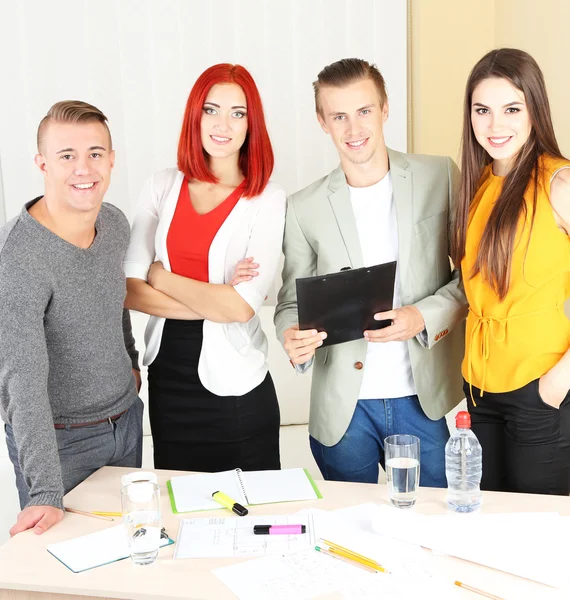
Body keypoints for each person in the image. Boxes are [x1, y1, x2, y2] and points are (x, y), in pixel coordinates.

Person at [275, 58, 467, 486]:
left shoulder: (440, 176)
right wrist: (291, 334)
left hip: (420, 397)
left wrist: (423, 316)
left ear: (385, 109)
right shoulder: (303, 206)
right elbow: (290, 301)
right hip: (343, 408)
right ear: (322, 122)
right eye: (339, 116)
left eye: (363, 111)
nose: (353, 128)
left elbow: (474, 278)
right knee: (349, 533)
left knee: (431, 527)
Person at [124, 63, 285, 472]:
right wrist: (218, 300)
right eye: (211, 110)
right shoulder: (162, 186)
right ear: (195, 115)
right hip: (168, 382)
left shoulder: (267, 200)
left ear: (252, 123)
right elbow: (129, 289)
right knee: (179, 514)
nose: (223, 125)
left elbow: (240, 309)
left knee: (253, 522)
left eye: (238, 113)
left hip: (238, 392)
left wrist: (160, 276)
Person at [0, 101, 143, 536]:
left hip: (128, 423)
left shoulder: (114, 221)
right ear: (42, 164)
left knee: (130, 559)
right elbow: (19, 385)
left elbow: (114, 300)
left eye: (95, 154)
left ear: (112, 160)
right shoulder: (18, 260)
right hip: (63, 444)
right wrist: (44, 491)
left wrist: (132, 363)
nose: (84, 168)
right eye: (67, 156)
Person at [452, 48, 570, 495]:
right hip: (480, 390)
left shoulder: (559, 183)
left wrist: (558, 383)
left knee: (539, 536)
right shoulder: (480, 185)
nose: (495, 125)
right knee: (488, 524)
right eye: (482, 110)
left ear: (534, 110)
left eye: (511, 109)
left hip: (541, 391)